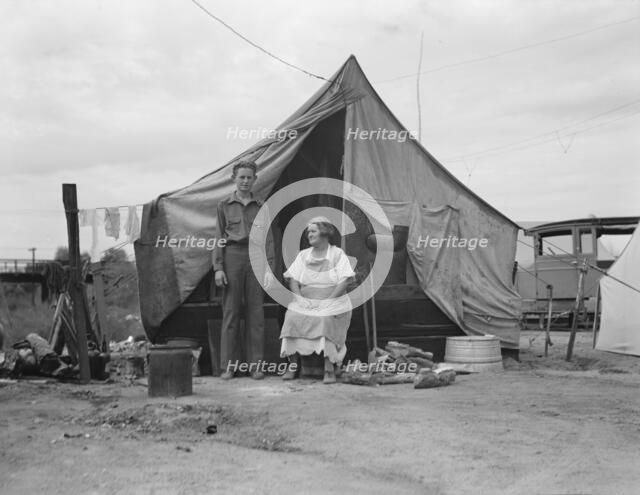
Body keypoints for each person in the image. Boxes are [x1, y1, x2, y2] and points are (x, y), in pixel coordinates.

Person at [213, 160, 274, 380]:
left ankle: (256, 366)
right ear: (234, 179)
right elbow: (219, 238)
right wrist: (218, 268)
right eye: (242, 177)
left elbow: (268, 239)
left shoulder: (261, 206)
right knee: (231, 312)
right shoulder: (224, 206)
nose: (246, 181)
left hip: (256, 258)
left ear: (255, 179)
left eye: (249, 177)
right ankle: (228, 366)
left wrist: (268, 268)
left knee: (256, 313)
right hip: (233, 257)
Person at [279, 217, 355, 384]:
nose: (309, 235)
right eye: (308, 232)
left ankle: (329, 368)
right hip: (306, 299)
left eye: (313, 231)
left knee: (324, 317)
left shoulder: (337, 254)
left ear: (325, 232)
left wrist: (328, 301)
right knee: (291, 316)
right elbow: (293, 279)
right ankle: (293, 366)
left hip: (333, 298)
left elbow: (345, 280)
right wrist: (299, 299)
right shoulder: (303, 255)